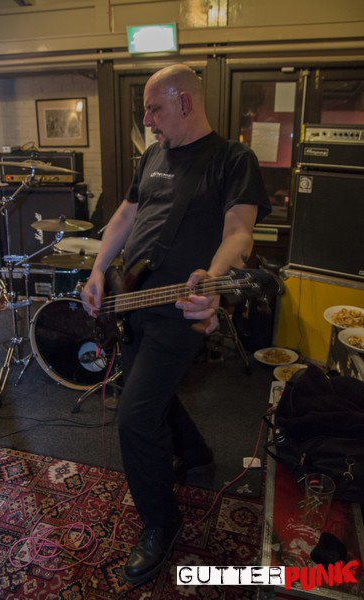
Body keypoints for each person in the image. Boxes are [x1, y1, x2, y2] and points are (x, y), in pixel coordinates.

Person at [81, 64, 270, 586]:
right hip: (132, 299)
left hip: (179, 310)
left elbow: (240, 233)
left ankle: (160, 524)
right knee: (151, 390)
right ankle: (197, 455)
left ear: (184, 102)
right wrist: (98, 270)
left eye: (153, 109)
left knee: (136, 419)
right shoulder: (152, 156)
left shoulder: (233, 159)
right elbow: (125, 215)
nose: (147, 120)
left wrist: (213, 278)